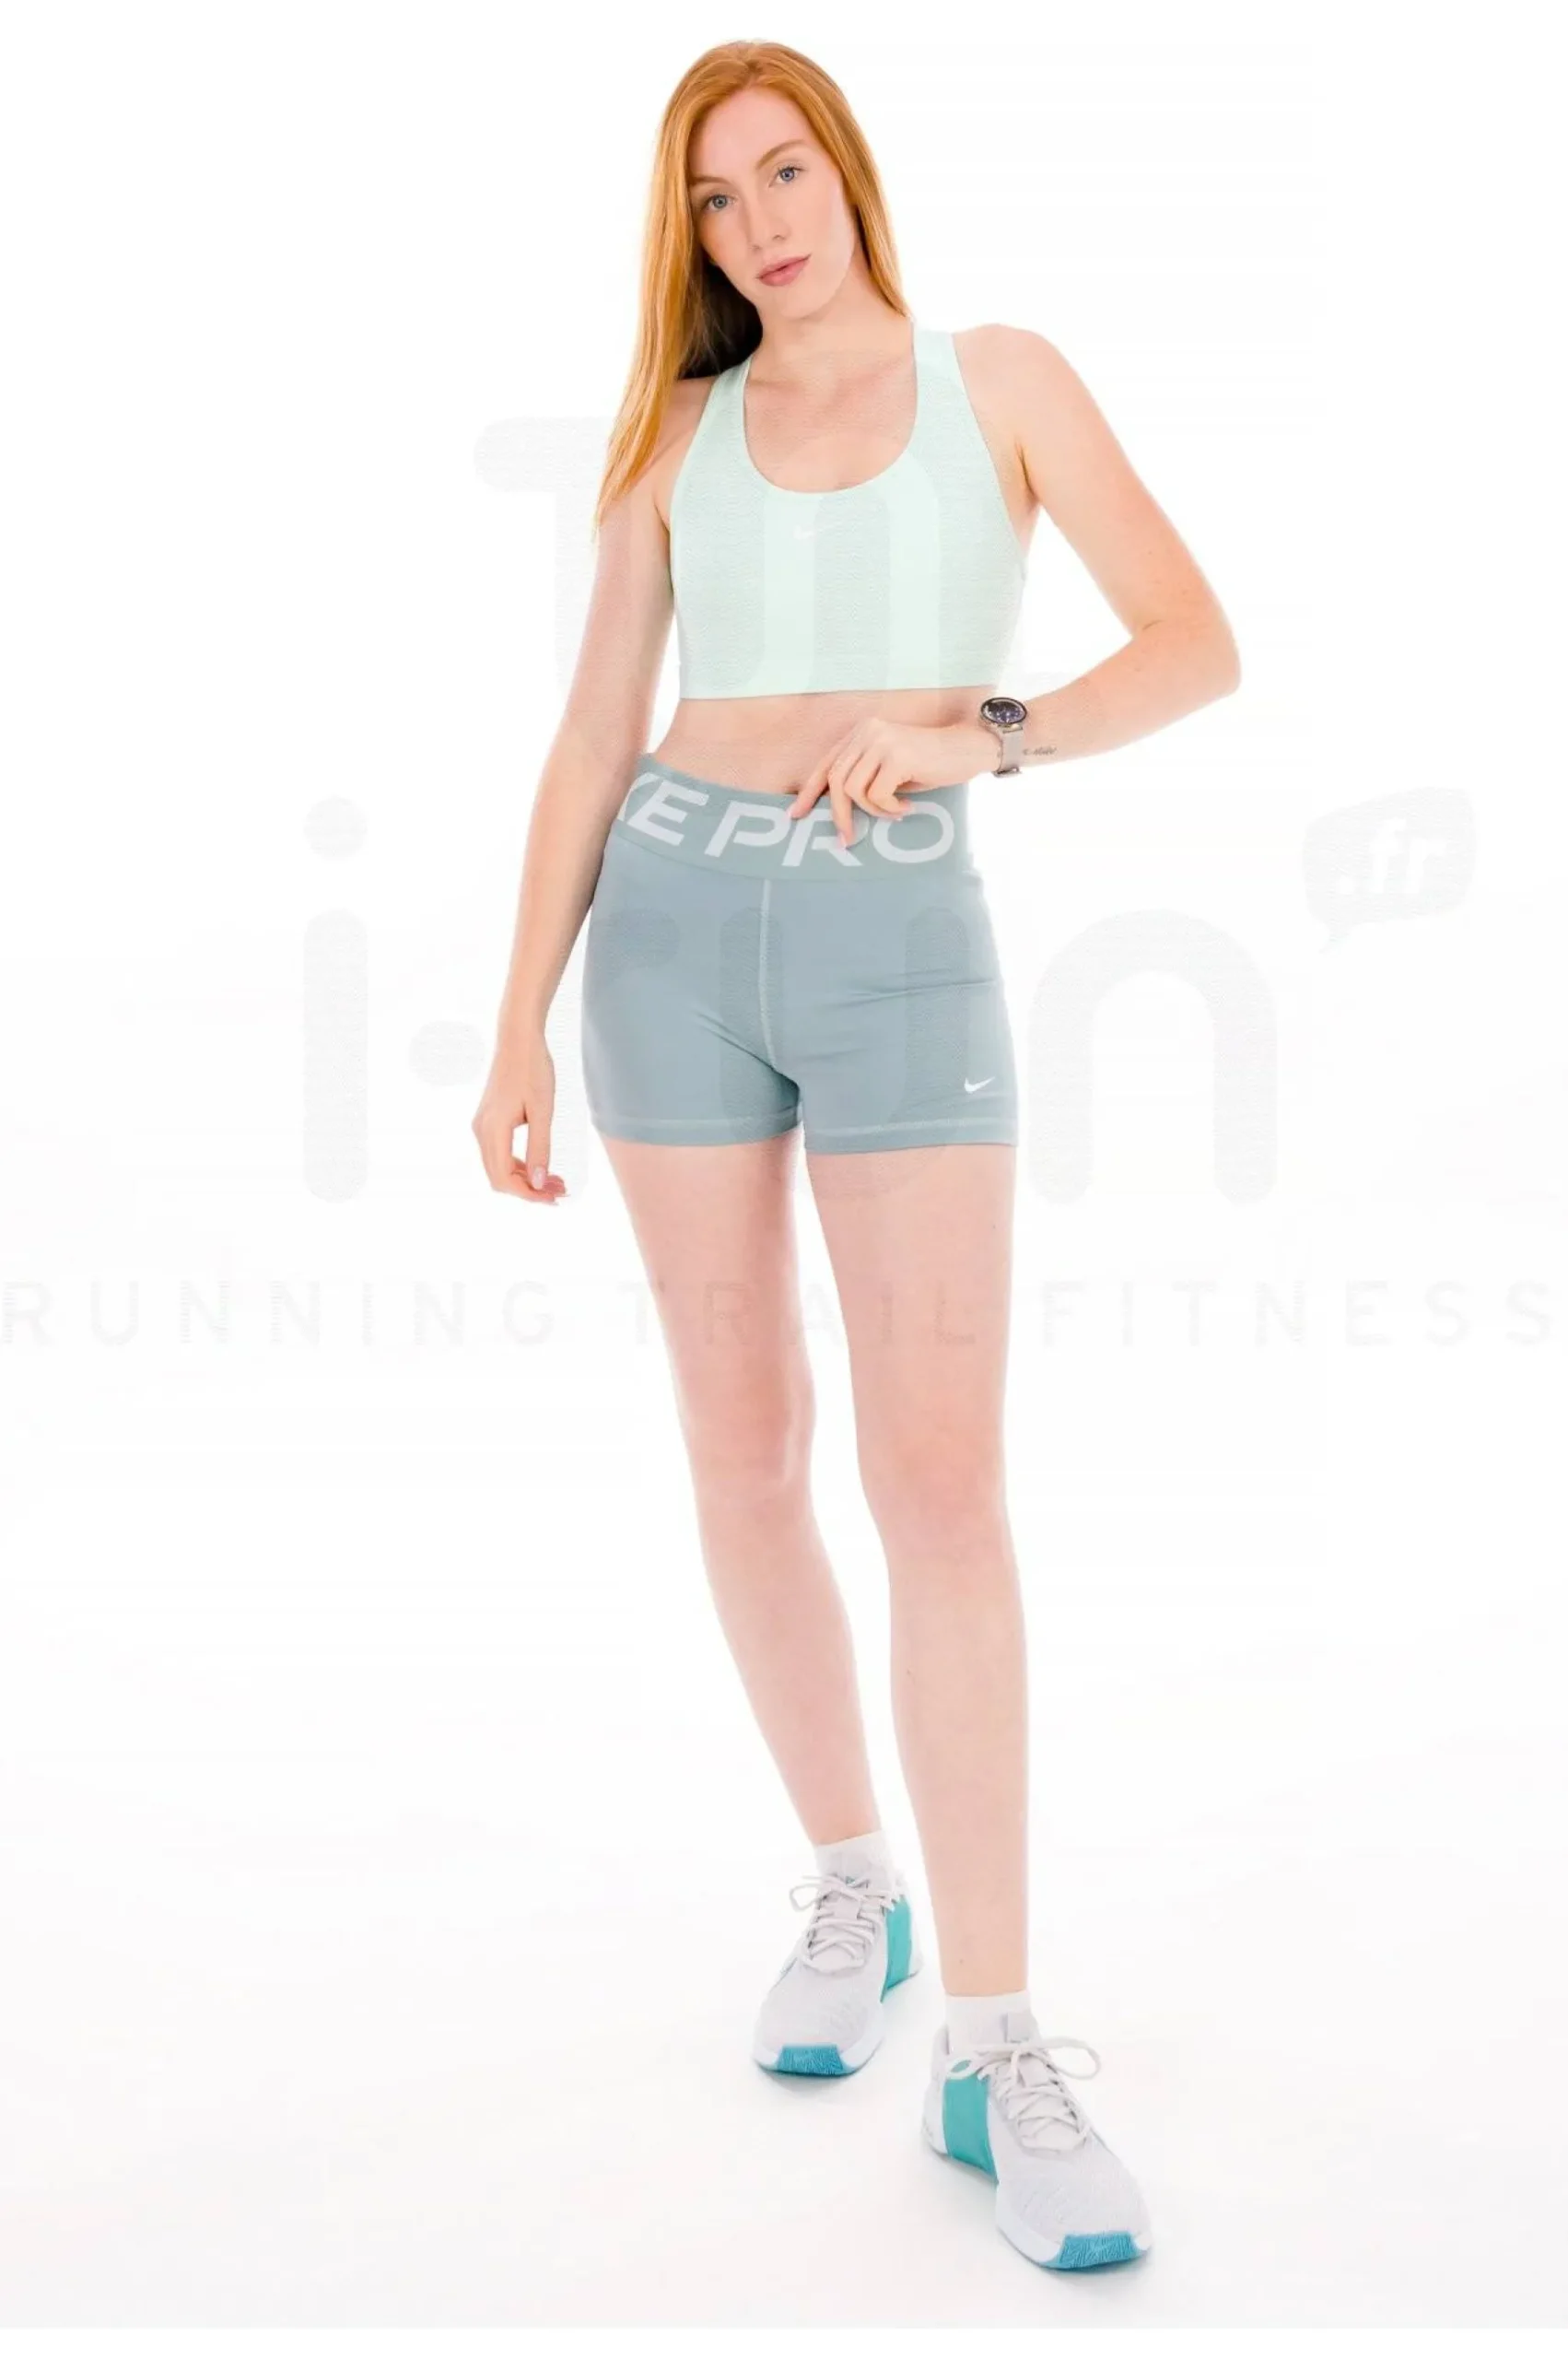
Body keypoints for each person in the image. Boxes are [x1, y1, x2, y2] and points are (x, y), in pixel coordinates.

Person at [473, 39, 1238, 2275]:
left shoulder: (1003, 379)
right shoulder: (674, 433)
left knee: (939, 1482)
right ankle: (849, 1884)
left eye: (782, 173)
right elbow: (590, 735)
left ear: (849, 171)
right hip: (668, 936)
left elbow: (1192, 645)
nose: (759, 226)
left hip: (900, 936)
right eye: (714, 202)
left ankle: (993, 2046)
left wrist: (984, 729)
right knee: (743, 1450)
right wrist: (512, 1016)